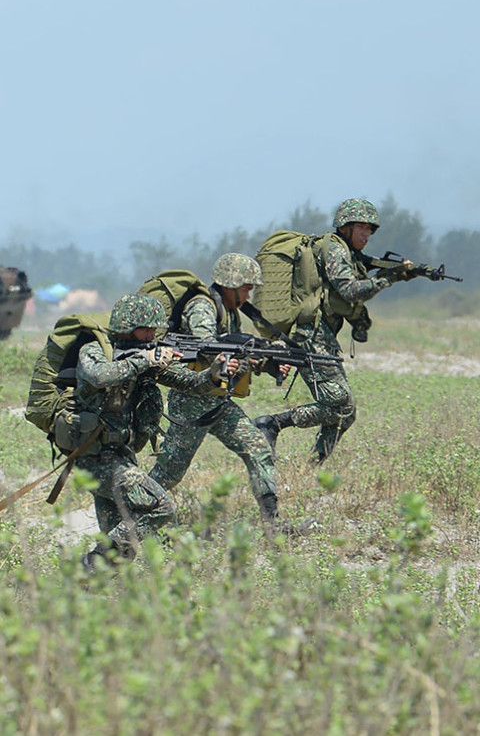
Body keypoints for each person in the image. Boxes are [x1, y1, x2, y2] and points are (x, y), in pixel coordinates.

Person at [54, 293, 228, 569]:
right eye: (145, 329)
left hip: (121, 455)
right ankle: (86, 566)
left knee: (122, 551)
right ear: (126, 326)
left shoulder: (146, 357)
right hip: (96, 457)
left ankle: (84, 589)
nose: (151, 336)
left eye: (153, 330)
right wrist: (145, 359)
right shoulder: (95, 351)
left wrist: (214, 374)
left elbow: (190, 383)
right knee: (161, 507)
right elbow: (99, 375)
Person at [253, 198, 409, 464]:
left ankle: (313, 466)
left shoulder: (347, 253)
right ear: (345, 227)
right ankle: (272, 423)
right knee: (341, 402)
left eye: (370, 229)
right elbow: (349, 290)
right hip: (311, 338)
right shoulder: (335, 251)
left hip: (322, 338)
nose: (366, 235)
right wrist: (389, 279)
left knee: (346, 412)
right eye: (361, 228)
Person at [148, 253, 291, 528]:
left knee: (257, 448)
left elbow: (236, 354)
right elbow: (210, 349)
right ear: (231, 284)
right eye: (247, 288)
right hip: (191, 400)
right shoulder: (203, 307)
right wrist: (242, 356)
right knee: (169, 473)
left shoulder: (230, 314)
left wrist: (269, 364)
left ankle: (273, 524)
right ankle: (129, 516)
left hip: (217, 401)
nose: (249, 295)